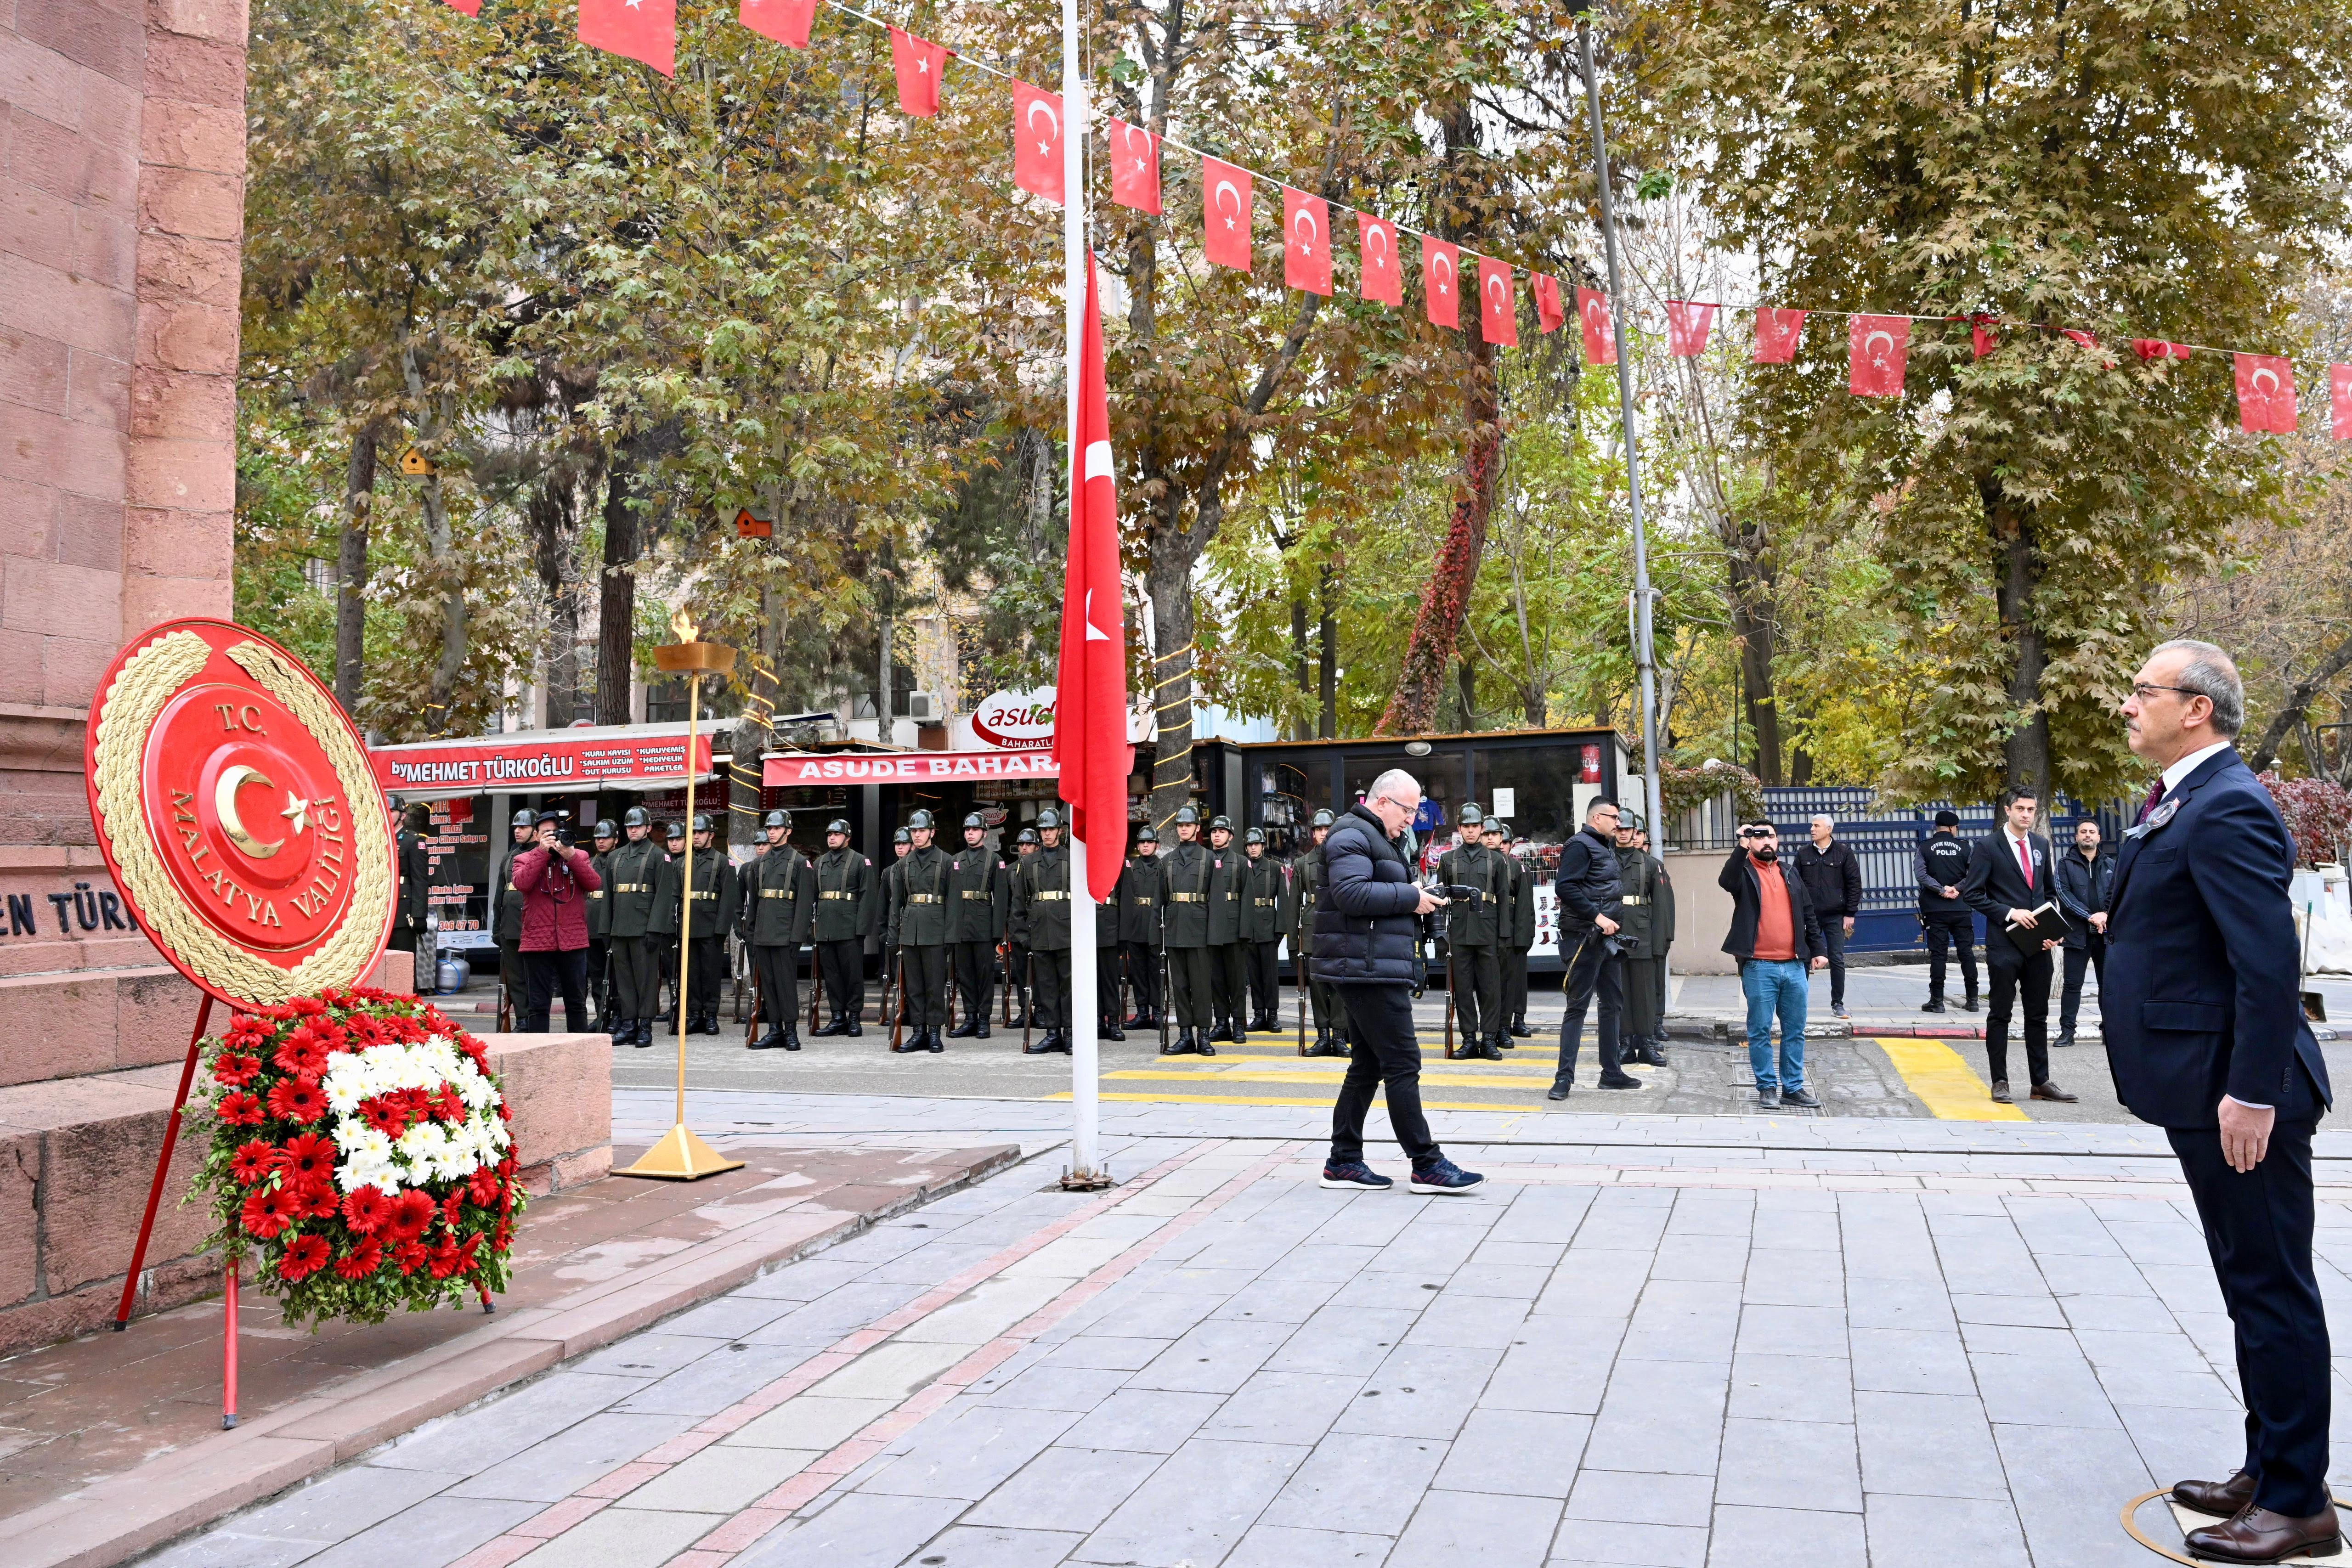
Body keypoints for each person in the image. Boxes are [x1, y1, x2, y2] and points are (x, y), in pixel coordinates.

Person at [2109, 640, 2336, 1563]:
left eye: (2141, 691)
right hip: (2205, 1087)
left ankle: (2296, 1506)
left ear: (2194, 707)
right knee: (2251, 1287)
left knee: (2272, 1290)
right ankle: (2269, 1465)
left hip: (2240, 1095)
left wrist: (2250, 1092)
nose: (2127, 705)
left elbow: (2267, 963)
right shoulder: (2188, 799)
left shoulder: (2226, 803)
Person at [1317, 769, 1482, 1194]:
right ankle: (1426, 1163)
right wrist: (1411, 897)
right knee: (1403, 1063)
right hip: (1366, 970)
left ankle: (1343, 1160)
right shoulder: (1350, 835)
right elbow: (1352, 895)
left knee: (1368, 1065)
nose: (1412, 819)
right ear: (1383, 801)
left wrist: (1422, 894)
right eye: (1408, 809)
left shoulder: (1376, 838)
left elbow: (1377, 891)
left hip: (1371, 965)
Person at [1960, 787, 2077, 1106]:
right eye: (2021, 809)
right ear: (2008, 810)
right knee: (2000, 1013)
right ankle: (2000, 1081)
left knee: (2038, 1016)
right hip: (2005, 944)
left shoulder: (2040, 844)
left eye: (2032, 809)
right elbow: (1973, 893)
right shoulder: (1987, 846)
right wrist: (2010, 912)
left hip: (2039, 945)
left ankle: (2040, 1082)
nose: (2027, 815)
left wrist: (2054, 930)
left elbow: (2050, 892)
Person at [1719, 820, 1827, 1109]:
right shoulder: (1744, 873)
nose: (1766, 841)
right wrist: (1741, 844)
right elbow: (1725, 881)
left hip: (1794, 966)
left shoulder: (1790, 873)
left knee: (1795, 1031)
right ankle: (1767, 1087)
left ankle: (1793, 1088)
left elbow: (1808, 913)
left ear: (1778, 841)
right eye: (1759, 837)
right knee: (1760, 1030)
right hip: (1759, 966)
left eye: (1771, 836)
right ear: (1751, 841)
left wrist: (1818, 949)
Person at [1551, 797, 1643, 1099]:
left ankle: (1612, 1073)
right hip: (1583, 937)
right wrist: (1598, 917)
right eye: (1613, 817)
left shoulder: (1604, 847)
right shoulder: (1579, 845)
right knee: (1577, 1007)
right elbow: (1565, 886)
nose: (1619, 823)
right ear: (1596, 818)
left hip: (1607, 939)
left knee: (1613, 1004)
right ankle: (1563, 1079)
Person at [510, 812, 602, 1033]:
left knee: (577, 1002)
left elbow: (594, 883)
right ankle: (539, 1054)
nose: (552, 839)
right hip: (537, 941)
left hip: (573, 940)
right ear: (536, 836)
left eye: (555, 833)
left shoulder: (578, 855)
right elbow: (522, 883)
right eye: (546, 834)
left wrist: (570, 857)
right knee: (539, 1005)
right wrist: (542, 853)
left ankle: (579, 1053)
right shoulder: (523, 858)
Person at [739, 810, 815, 1050]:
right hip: (763, 932)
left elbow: (804, 904)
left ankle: (791, 1031)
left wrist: (797, 937)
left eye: (776, 828)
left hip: (785, 933)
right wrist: (749, 931)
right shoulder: (758, 864)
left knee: (785, 984)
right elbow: (755, 900)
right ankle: (774, 1030)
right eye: (769, 829)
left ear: (788, 831)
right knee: (768, 984)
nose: (772, 832)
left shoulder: (800, 862)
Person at [1438, 803, 1507, 1060]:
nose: (1470, 831)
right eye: (1466, 826)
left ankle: (1489, 1039)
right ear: (1459, 829)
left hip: (1488, 928)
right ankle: (1469, 1039)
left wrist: (1504, 936)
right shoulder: (1448, 859)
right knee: (1464, 989)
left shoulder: (1496, 860)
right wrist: (1440, 936)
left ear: (1482, 828)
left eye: (1475, 826)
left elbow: (1504, 900)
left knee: (1490, 988)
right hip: (1459, 930)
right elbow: (1439, 900)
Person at [657, 813, 736, 1036]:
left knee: (710, 974)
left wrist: (721, 930)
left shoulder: (723, 862)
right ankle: (694, 1015)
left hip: (711, 925)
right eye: (693, 833)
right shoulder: (681, 863)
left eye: (701, 832)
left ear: (711, 835)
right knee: (689, 974)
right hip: (686, 925)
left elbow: (729, 899)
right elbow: (674, 896)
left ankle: (711, 1015)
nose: (696, 837)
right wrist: (672, 925)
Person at [1283, 809, 1349, 1056]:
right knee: (1318, 988)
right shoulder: (1302, 864)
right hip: (1312, 930)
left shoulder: (1344, 859)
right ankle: (1323, 1036)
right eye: (1319, 830)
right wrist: (1293, 944)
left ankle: (1340, 1037)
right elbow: (1293, 907)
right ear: (1313, 834)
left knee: (1339, 986)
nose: (1323, 834)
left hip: (1339, 927)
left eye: (1327, 829)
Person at [1009, 808, 1074, 1054]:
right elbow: (1018, 904)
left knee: (1068, 987)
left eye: (1051, 829)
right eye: (1044, 830)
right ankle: (1052, 1033)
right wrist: (1023, 937)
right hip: (1039, 933)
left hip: (1067, 932)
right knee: (1046, 987)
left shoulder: (1072, 858)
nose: (1047, 834)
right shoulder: (1027, 863)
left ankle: (1069, 1033)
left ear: (1060, 830)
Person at [888, 810, 951, 1053]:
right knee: (913, 986)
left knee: (935, 985)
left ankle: (935, 1033)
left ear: (932, 832)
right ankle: (918, 1032)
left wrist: (951, 936)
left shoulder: (946, 861)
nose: (917, 835)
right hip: (911, 931)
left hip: (936, 929)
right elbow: (897, 904)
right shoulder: (904, 865)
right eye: (914, 831)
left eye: (922, 831)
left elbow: (954, 903)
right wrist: (894, 936)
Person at [604, 807, 665, 1047]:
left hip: (643, 927)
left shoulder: (658, 856)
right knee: (625, 980)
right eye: (630, 826)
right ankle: (629, 1023)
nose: (634, 830)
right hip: (620, 927)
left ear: (648, 828)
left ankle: (645, 1025)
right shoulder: (615, 857)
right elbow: (609, 896)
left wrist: (655, 929)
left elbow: (663, 896)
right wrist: (606, 929)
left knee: (646, 979)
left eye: (638, 826)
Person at [1792, 813, 1862, 1019]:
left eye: (1817, 826)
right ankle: (1798, 1003)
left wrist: (1850, 913)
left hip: (1835, 915)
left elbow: (1854, 883)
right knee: (1803, 958)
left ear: (1829, 830)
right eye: (1812, 826)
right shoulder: (1804, 853)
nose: (1812, 829)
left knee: (1837, 959)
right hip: (1809, 916)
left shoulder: (1843, 853)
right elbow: (1795, 884)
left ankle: (1837, 1003)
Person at [1160, 807, 1217, 1056]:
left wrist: (1214, 937)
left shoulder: (1208, 859)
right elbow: (1159, 901)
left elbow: (1216, 901)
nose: (1184, 828)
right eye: (1180, 825)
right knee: (1180, 986)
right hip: (1174, 929)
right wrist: (1158, 938)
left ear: (1197, 828)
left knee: (1201, 986)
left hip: (1200, 930)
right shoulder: (1167, 861)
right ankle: (1185, 1035)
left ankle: (1203, 1035)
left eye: (1188, 825)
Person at [945, 812, 1008, 1039]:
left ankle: (984, 1020)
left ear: (984, 832)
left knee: (985, 976)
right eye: (967, 830)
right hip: (961, 924)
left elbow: (1000, 899)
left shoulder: (995, 860)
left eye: (974, 830)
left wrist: (997, 932)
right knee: (966, 975)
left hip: (983, 921)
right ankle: (970, 1017)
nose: (970, 833)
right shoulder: (955, 860)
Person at [1615, 816, 1671, 1067]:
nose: (1623, 833)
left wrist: (1659, 945)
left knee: (1645, 993)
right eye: (1619, 829)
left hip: (1642, 934)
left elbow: (1660, 907)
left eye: (1627, 829)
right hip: (1613, 934)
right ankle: (1625, 1044)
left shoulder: (1649, 864)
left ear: (1636, 832)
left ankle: (1647, 1042)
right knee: (1621, 993)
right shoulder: (1604, 860)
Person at [2053, 818, 2113, 1049]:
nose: (2088, 835)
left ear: (2099, 837)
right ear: (2077, 837)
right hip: (2077, 934)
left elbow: (2118, 893)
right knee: (2072, 985)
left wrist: (2105, 914)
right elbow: (2064, 896)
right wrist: (2090, 915)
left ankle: (2109, 1030)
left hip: (2105, 933)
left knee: (2106, 986)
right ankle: (2067, 1032)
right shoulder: (2064, 864)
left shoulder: (2111, 865)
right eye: (2083, 832)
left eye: (2092, 832)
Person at [811, 819, 872, 1037]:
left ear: (847, 837)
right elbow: (813, 897)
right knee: (832, 975)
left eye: (837, 834)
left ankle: (854, 1017)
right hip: (826, 927)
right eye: (829, 834)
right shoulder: (819, 864)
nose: (832, 838)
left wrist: (862, 930)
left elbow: (867, 897)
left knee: (852, 975)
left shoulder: (860, 862)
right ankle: (838, 1017)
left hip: (849, 927)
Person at [1917, 809, 1979, 1013]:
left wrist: (1941, 889)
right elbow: (1973, 875)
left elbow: (1921, 875)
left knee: (1938, 955)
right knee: (1966, 954)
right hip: (1961, 908)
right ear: (1953, 828)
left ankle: (1937, 1002)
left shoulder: (1925, 847)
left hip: (1935, 910)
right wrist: (1956, 888)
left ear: (1937, 827)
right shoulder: (1964, 847)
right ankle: (1973, 1000)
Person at [1205, 815, 1248, 1041]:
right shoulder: (1204, 860)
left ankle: (1239, 1023)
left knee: (1236, 981)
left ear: (1231, 836)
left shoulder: (1241, 862)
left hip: (1233, 925)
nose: (1217, 835)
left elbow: (1247, 897)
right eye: (1214, 831)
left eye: (1222, 831)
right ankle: (1221, 1022)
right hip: (1211, 926)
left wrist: (1245, 931)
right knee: (1216, 979)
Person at [492, 808, 536, 1026]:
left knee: (533, 977)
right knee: (516, 978)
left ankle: (534, 1016)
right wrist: (496, 927)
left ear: (535, 831)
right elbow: (500, 894)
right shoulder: (509, 857)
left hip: (534, 926)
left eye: (523, 827)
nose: (518, 831)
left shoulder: (542, 854)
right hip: (510, 926)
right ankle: (522, 1018)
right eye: (516, 828)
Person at [1119, 826, 1165, 1030]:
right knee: (1138, 972)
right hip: (1135, 923)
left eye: (1150, 842)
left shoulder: (1163, 867)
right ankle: (1142, 1012)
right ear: (1137, 846)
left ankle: (1157, 1012)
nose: (1146, 845)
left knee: (1155, 971)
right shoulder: (1130, 867)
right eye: (1142, 843)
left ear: (1157, 845)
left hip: (1155, 923)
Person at [1240, 828, 1285, 1032]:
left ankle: (1273, 1015)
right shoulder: (1242, 867)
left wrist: (1280, 930)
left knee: (1270, 975)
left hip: (1268, 924)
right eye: (1250, 845)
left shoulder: (1275, 868)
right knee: (1254, 974)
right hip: (1249, 926)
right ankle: (1259, 1014)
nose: (1253, 848)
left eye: (1256, 844)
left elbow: (1282, 900)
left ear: (1263, 846)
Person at [1495, 820, 1537, 1038]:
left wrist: (1525, 936)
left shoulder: (1520, 869)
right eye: (1499, 841)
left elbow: (1526, 907)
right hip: (1495, 928)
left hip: (1516, 927)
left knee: (1519, 978)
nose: (1502, 845)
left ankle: (1518, 1018)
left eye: (1506, 842)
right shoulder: (1490, 864)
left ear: (1511, 845)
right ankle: (1500, 1022)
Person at [583, 818, 617, 1032]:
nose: (601, 842)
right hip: (592, 928)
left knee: (616, 977)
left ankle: (618, 1016)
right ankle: (601, 1014)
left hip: (613, 926)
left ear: (615, 840)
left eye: (605, 838)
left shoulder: (619, 859)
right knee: (597, 977)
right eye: (598, 838)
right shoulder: (590, 862)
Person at [387, 798, 432, 954]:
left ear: (403, 816)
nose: (387, 814)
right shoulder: (379, 840)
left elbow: (420, 881)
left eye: (392, 811)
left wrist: (419, 915)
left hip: (402, 913)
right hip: (380, 913)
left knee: (402, 966)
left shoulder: (412, 841)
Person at [1005, 827, 1039, 1027]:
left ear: (1036, 846)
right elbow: (1009, 904)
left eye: (1028, 844)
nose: (1024, 848)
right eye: (1021, 845)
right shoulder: (1011, 870)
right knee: (1020, 973)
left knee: (1043, 974)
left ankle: (1042, 1009)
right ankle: (1025, 1010)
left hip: (1039, 926)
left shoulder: (1039, 866)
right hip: (1018, 929)